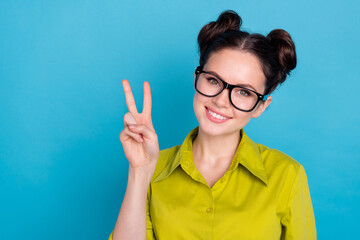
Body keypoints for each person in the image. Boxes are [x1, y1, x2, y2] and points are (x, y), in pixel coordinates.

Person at [109, 10, 316, 240]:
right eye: (213, 80)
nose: (220, 101)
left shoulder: (287, 175)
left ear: (261, 106)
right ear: (196, 78)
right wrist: (139, 173)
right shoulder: (152, 168)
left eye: (243, 92)